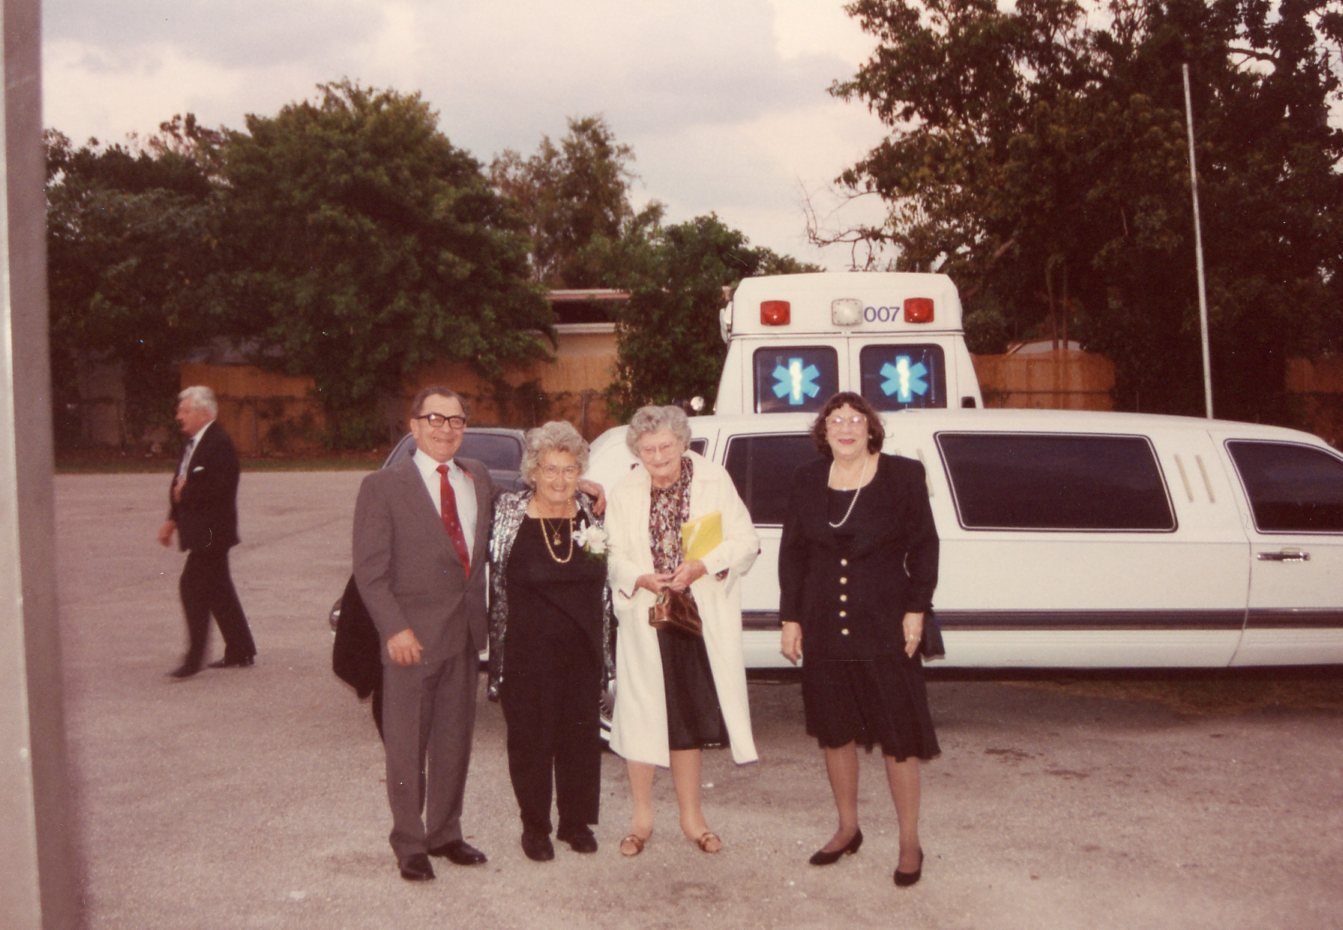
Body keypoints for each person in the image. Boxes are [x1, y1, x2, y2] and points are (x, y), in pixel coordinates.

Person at [778, 391, 940, 888]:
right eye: (835, 420)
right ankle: (847, 828)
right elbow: (793, 553)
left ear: (871, 429)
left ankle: (909, 841)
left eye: (855, 420)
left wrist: (916, 609)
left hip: (884, 622)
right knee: (835, 731)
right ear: (823, 432)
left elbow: (925, 547)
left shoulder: (902, 476)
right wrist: (791, 618)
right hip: (824, 622)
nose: (845, 428)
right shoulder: (806, 478)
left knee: (899, 736)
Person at [352, 387, 493, 882]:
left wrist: (581, 483)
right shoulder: (383, 487)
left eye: (456, 420)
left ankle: (445, 833)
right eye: (435, 418)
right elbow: (370, 572)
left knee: (454, 741)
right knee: (406, 746)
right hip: (410, 639)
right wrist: (394, 629)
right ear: (413, 426)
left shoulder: (477, 477)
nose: (445, 429)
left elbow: (525, 500)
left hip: (463, 634)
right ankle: (410, 842)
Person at [605, 405, 760, 857]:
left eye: (666, 446)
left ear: (682, 442)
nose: (658, 456)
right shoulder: (625, 491)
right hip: (646, 619)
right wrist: (639, 577)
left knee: (685, 719)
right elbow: (611, 554)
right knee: (641, 718)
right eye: (648, 449)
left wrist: (702, 565)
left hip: (696, 617)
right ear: (637, 451)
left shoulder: (714, 480)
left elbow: (746, 541)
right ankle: (641, 820)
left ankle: (693, 819)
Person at [486, 421, 612, 862]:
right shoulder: (509, 512)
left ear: (581, 473)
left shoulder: (592, 513)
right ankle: (534, 826)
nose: (560, 479)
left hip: (582, 650)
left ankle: (575, 823)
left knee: (580, 740)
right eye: (550, 469)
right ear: (533, 472)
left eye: (570, 469)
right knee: (531, 742)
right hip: (527, 653)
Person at [156, 385, 257, 679]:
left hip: (213, 532)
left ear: (204, 413)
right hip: (200, 530)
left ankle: (194, 658)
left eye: (185, 410)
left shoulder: (218, 443)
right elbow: (179, 484)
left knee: (191, 586)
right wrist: (171, 520)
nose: (179, 416)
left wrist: (185, 493)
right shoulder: (193, 443)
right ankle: (241, 649)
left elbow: (220, 487)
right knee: (218, 588)